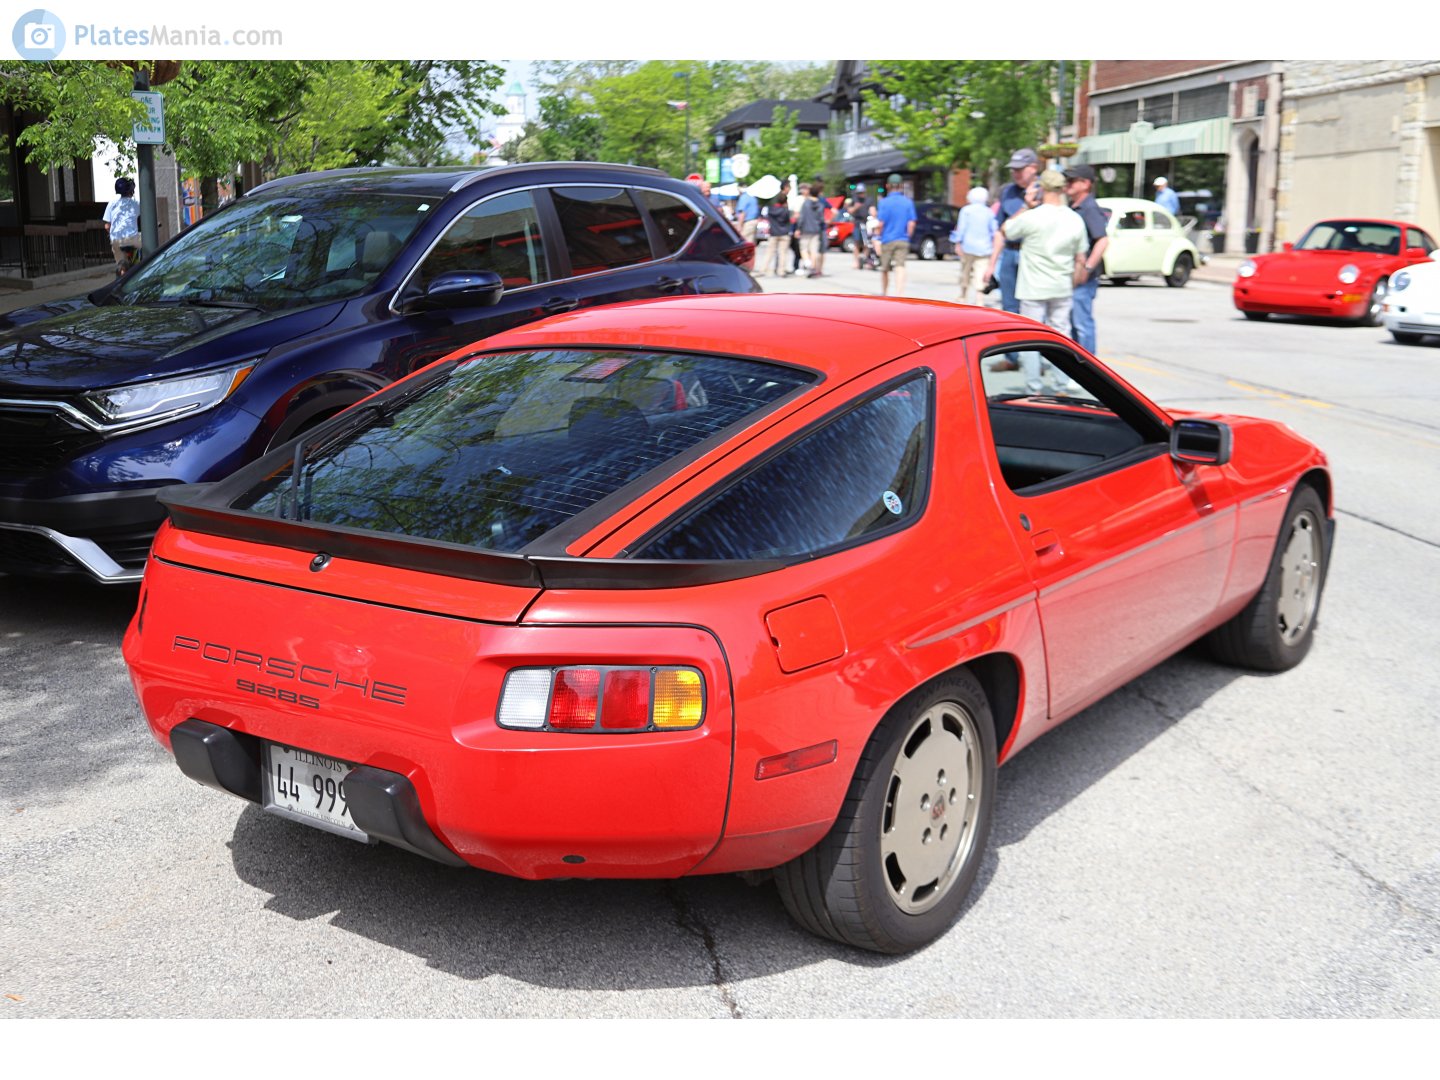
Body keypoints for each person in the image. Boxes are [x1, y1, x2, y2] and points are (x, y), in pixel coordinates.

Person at [1000, 169, 1087, 394]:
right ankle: (1061, 384)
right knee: (1061, 334)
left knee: (1030, 337)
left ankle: (1034, 388)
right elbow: (1080, 256)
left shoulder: (1032, 216)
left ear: (1042, 189)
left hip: (1033, 285)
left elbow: (1007, 230)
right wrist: (1074, 281)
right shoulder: (1074, 218)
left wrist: (1026, 205)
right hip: (1061, 284)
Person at [984, 148, 1040, 317]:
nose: (1015, 173)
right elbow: (1000, 231)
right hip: (1009, 252)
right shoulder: (1007, 191)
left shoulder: (1046, 190)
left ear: (1034, 168)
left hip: (1034, 253)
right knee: (1009, 309)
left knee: (1034, 309)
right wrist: (991, 265)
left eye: (1020, 169)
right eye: (1013, 169)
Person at [1062, 164, 1111, 354]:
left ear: (1086, 184)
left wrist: (1088, 267)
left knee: (1082, 323)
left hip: (1084, 278)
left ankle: (1088, 364)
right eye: (1067, 180)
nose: (1068, 184)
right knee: (1073, 324)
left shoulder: (1089, 207)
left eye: (1072, 181)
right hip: (1072, 274)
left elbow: (1102, 240)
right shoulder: (1073, 206)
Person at [952, 185, 997, 305]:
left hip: (968, 246)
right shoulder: (989, 212)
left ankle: (963, 295)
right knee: (981, 273)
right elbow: (994, 230)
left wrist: (957, 243)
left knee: (965, 271)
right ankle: (979, 299)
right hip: (984, 248)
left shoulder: (966, 210)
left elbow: (961, 228)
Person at [876, 173, 917, 296]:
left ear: (887, 186)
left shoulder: (884, 202)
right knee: (900, 266)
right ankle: (899, 293)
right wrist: (908, 236)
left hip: (887, 239)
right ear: (901, 186)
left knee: (885, 268)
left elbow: (881, 223)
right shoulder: (908, 202)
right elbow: (911, 223)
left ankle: (884, 292)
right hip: (902, 239)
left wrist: (877, 237)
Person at [103, 177, 141, 277]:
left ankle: (122, 271)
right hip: (132, 239)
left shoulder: (111, 203)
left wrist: (111, 234)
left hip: (116, 240)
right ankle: (141, 267)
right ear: (131, 191)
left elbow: (107, 226)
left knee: (120, 263)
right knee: (145, 246)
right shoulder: (136, 203)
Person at [796, 182, 827, 278]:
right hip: (816, 230)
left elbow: (802, 217)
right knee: (814, 250)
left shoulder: (806, 203)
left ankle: (808, 263)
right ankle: (813, 268)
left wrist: (798, 228)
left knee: (803, 248)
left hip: (805, 229)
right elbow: (821, 219)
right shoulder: (820, 204)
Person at [760, 195, 793, 277]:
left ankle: (763, 269)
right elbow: (789, 220)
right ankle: (781, 271)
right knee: (782, 253)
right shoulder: (786, 211)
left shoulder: (771, 209)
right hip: (784, 233)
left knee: (769, 252)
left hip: (773, 233)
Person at [849, 182, 871, 269]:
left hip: (866, 223)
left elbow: (872, 209)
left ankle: (865, 259)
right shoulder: (854, 200)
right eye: (859, 193)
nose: (860, 194)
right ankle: (856, 261)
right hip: (857, 223)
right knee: (856, 242)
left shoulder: (869, 200)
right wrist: (855, 207)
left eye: (862, 192)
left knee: (866, 243)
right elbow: (849, 211)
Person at [734, 182, 761, 248]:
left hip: (748, 223)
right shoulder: (752, 197)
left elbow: (742, 213)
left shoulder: (744, 197)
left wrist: (739, 226)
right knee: (750, 242)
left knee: (743, 244)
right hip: (753, 222)